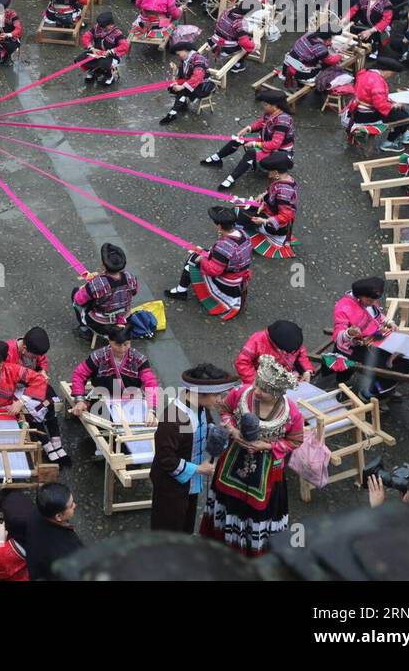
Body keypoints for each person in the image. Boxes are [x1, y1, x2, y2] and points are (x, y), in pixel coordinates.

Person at [200, 355, 303, 558]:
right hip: (232, 460)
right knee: (230, 504)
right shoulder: (240, 394)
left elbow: (295, 441)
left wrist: (267, 445)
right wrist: (233, 430)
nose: (256, 391)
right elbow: (224, 409)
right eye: (257, 384)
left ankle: (253, 553)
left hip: (268, 472)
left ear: (276, 393)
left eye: (263, 390)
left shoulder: (292, 414)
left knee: (258, 512)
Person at [150, 363, 235, 533]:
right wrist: (198, 469)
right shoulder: (174, 418)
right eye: (217, 395)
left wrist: (219, 435)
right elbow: (166, 459)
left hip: (189, 483)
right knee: (168, 528)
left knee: (186, 524)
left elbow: (207, 426)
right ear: (200, 392)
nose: (220, 399)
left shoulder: (201, 407)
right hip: (170, 487)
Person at [166, 206, 254, 320]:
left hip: (228, 281)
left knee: (192, 261)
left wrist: (202, 259)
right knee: (201, 253)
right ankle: (181, 290)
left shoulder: (224, 246)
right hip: (238, 273)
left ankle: (181, 291)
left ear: (219, 226)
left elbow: (214, 270)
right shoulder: (243, 234)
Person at [201, 87, 294, 190]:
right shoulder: (271, 113)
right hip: (266, 142)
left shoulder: (283, 121)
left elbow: (275, 144)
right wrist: (248, 128)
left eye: (266, 104)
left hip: (279, 152)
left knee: (251, 153)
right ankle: (217, 158)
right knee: (238, 139)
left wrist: (255, 144)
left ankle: (231, 179)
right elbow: (261, 122)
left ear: (275, 106)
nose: (263, 106)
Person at [69, 325, 159, 422]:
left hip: (131, 399)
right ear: (110, 341)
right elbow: (79, 374)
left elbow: (150, 382)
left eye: (126, 344)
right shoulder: (98, 356)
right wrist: (80, 400)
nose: (122, 349)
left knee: (146, 420)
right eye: (118, 344)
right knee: (106, 421)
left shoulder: (139, 359)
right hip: (103, 398)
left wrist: (151, 410)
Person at [27, 483, 83, 579]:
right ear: (58, 516)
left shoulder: (38, 511)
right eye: (71, 505)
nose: (75, 505)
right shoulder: (65, 552)